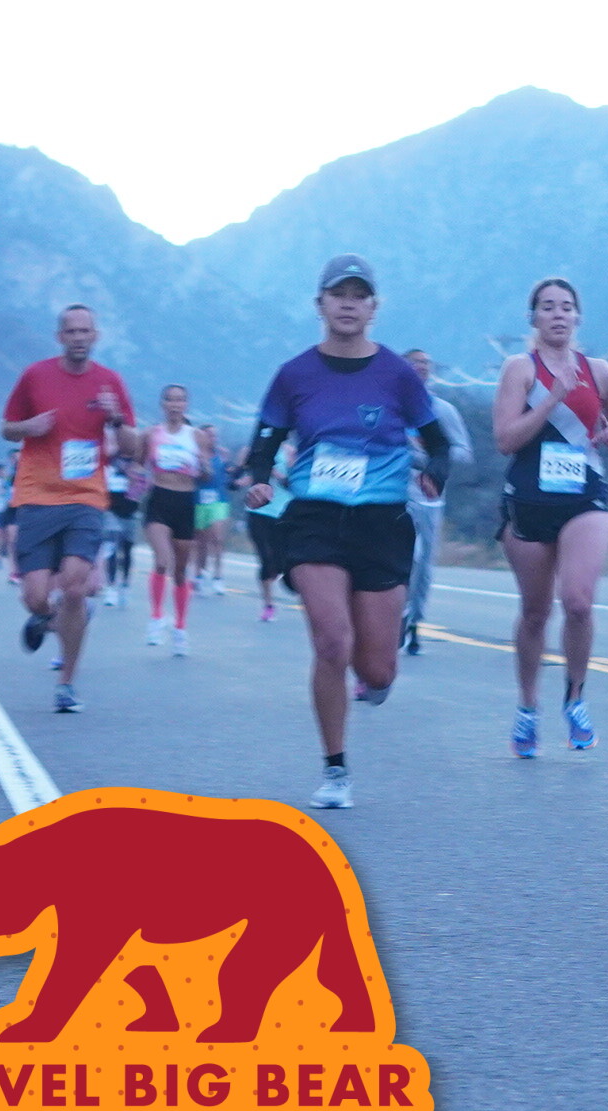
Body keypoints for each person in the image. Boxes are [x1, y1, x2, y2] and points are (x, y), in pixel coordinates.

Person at [242, 254, 451, 808]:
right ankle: (335, 769)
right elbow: (264, 445)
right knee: (332, 641)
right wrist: (259, 481)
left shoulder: (397, 374)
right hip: (315, 519)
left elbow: (440, 443)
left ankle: (379, 660)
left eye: (360, 296)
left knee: (377, 670)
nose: (349, 304)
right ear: (321, 304)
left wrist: (435, 472)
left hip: (382, 523)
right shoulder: (294, 375)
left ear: (374, 308)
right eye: (339, 295)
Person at [491, 285, 608, 756]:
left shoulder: (600, 371)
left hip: (584, 497)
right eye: (547, 307)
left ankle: (575, 697)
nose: (558, 315)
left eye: (567, 308)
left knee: (578, 602)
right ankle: (528, 707)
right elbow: (505, 440)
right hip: (529, 500)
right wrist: (551, 398)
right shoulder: (520, 369)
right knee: (535, 612)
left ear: (578, 318)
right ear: (533, 318)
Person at [0, 305, 139, 712]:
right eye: (71, 331)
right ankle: (49, 618)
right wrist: (28, 428)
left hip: (85, 497)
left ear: (95, 336)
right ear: (60, 337)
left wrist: (116, 419)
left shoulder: (109, 382)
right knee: (35, 597)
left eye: (85, 331)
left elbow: (132, 448)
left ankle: (66, 684)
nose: (79, 337)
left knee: (77, 587)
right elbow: (6, 428)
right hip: (37, 496)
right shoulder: (35, 375)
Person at [400, 349, 474, 658]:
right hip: (392, 490)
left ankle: (414, 621)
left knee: (424, 565)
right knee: (406, 556)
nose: (420, 367)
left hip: (427, 492)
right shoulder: (391, 406)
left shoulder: (442, 410)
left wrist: (429, 456)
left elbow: (464, 452)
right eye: (413, 362)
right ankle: (397, 613)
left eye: (425, 363)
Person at [141, 385, 214, 654]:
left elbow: (206, 474)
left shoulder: (197, 436)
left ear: (186, 405)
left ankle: (180, 628)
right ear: (163, 404)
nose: (175, 404)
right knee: (162, 561)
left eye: (180, 400)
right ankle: (156, 618)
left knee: (181, 572)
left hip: (185, 503)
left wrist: (203, 467)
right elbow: (137, 464)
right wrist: (133, 483)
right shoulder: (151, 434)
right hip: (159, 500)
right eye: (170, 400)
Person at [234, 440, 291, 623]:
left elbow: (292, 483)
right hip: (257, 511)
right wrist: (240, 480)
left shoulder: (289, 452)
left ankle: (273, 575)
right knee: (265, 558)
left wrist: (274, 472)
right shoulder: (252, 450)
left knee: (280, 562)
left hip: (281, 512)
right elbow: (237, 477)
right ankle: (268, 605)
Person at [192, 438, 231, 595]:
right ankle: (199, 574)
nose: (212, 439)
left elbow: (230, 476)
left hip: (218, 501)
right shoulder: (195, 456)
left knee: (217, 538)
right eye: (208, 435)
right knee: (201, 543)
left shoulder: (221, 456)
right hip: (199, 502)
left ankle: (218, 576)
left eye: (214, 436)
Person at [100, 456, 138, 604]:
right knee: (112, 549)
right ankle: (111, 587)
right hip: (112, 511)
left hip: (131, 512)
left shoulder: (136, 464)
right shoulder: (111, 460)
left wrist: (133, 477)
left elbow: (142, 490)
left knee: (127, 549)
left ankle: (125, 585)